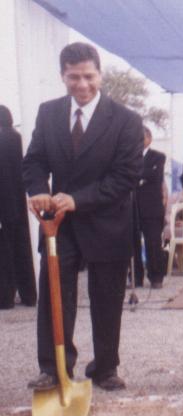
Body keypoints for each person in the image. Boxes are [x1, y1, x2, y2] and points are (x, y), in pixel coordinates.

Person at [23, 42, 143, 391]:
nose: (82, 84)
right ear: (63, 76)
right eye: (73, 77)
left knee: (107, 298)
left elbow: (125, 177)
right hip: (58, 224)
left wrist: (78, 199)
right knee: (55, 297)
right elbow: (34, 161)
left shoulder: (126, 120)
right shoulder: (48, 113)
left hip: (107, 221)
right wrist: (37, 190)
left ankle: (105, 367)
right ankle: (55, 367)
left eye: (88, 76)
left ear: (100, 75)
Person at [0, 106, 37, 309]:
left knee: (4, 255)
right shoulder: (18, 139)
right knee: (24, 252)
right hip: (20, 206)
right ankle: (29, 295)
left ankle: (5, 298)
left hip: (3, 207)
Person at [132, 126, 167, 288]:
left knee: (153, 242)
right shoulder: (130, 157)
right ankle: (135, 278)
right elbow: (126, 174)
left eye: (142, 137)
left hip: (152, 208)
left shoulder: (158, 156)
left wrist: (138, 175)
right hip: (133, 207)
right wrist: (141, 176)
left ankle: (156, 277)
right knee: (133, 244)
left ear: (149, 138)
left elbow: (155, 176)